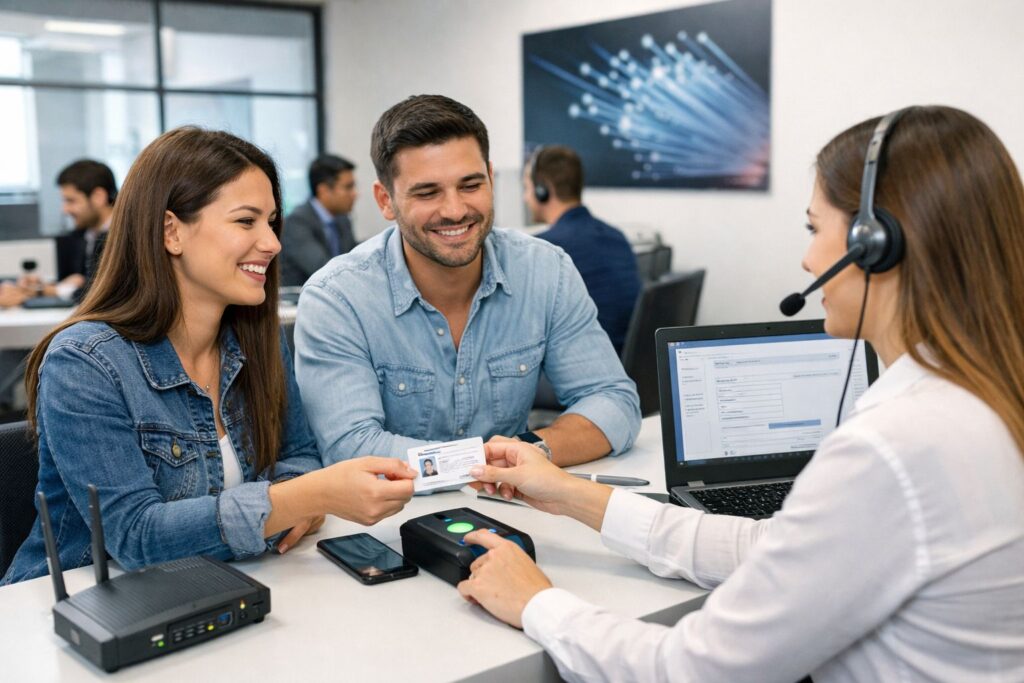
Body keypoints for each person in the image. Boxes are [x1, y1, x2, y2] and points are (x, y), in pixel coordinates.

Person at [457, 106, 1024, 681]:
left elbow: (692, 670)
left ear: (873, 244)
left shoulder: (893, 450)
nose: (806, 258)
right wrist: (569, 493)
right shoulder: (983, 399)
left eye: (813, 227)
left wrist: (537, 602)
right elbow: (769, 548)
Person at [1, 128, 416, 585]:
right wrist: (301, 499)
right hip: (77, 612)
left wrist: (300, 497)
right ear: (171, 231)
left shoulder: (258, 338)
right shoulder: (85, 363)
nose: (273, 243)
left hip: (223, 588)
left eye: (271, 221)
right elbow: (137, 537)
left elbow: (298, 455)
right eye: (246, 221)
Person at [295, 95, 641, 467]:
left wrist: (529, 452)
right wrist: (483, 462)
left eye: (471, 185)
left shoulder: (545, 269)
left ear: (491, 180)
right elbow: (351, 448)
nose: (455, 210)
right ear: (386, 201)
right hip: (393, 519)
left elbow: (613, 401)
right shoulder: (338, 297)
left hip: (515, 506)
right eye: (428, 192)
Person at [525, 145, 641, 354]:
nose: (526, 198)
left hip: (584, 366)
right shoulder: (617, 237)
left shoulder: (544, 249)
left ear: (542, 190)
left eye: (527, 188)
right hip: (624, 362)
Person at [19, 160, 117, 302]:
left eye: (71, 201)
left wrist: (46, 291)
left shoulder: (125, 237)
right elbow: (81, 281)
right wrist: (44, 285)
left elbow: (104, 293)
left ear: (98, 197)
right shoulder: (83, 235)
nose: (65, 210)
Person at [280, 154, 359, 286]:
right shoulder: (297, 222)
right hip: (297, 301)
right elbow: (322, 269)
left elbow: (351, 257)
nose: (355, 193)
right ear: (324, 191)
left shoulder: (342, 219)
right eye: (348, 187)